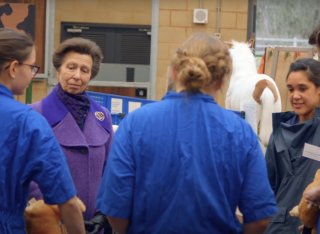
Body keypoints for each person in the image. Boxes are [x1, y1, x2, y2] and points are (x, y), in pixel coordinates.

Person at [96, 32, 278, 234]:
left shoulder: (135, 124)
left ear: (174, 72)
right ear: (222, 81)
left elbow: (115, 208)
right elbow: (260, 217)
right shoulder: (241, 132)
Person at [0, 28, 85, 233]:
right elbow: (66, 200)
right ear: (13, 68)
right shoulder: (28, 122)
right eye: (32, 67)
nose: (32, 73)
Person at [28, 37, 113, 233]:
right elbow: (28, 174)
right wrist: (52, 214)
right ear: (58, 70)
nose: (77, 76)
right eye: (71, 67)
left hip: (95, 226)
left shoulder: (103, 117)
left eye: (84, 70)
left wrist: (103, 212)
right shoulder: (34, 114)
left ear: (91, 76)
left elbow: (109, 170)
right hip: (51, 225)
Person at [265, 58, 320, 234]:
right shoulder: (279, 133)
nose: (295, 96)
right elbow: (268, 185)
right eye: (291, 89)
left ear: (319, 90)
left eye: (302, 88)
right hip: (278, 225)